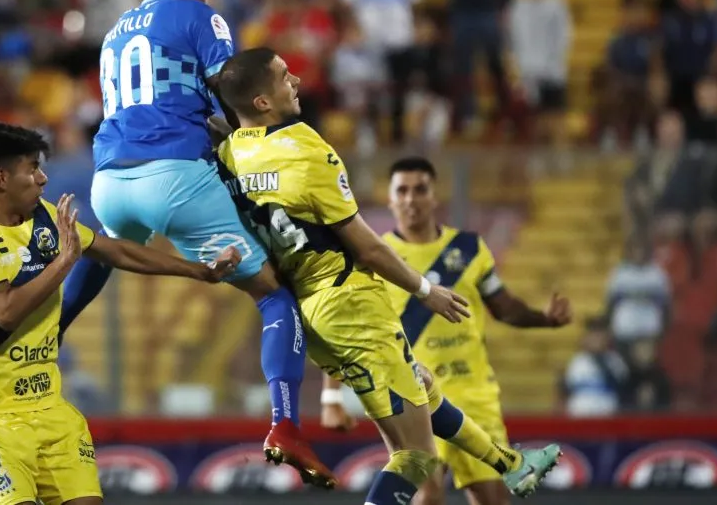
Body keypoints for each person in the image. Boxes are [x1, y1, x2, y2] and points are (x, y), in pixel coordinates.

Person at [215, 48, 561, 505]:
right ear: (262, 101)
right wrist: (426, 289)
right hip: (349, 300)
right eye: (283, 76)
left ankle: (511, 465)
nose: (295, 80)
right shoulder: (304, 146)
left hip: (307, 312)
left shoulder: (227, 154)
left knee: (422, 383)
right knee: (416, 456)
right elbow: (367, 246)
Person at [89, 0, 334, 486]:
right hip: (175, 176)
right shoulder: (202, 16)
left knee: (99, 245)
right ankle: (286, 425)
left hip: (108, 180)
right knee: (274, 295)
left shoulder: (114, 30)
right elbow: (238, 89)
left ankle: (49, 334)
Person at [0, 123, 239, 505]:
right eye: (32, 169)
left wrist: (199, 270)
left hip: (49, 407)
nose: (43, 179)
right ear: (0, 178)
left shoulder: (44, 218)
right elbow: (4, 311)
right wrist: (64, 262)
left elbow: (115, 251)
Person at [320, 156, 573, 505]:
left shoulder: (469, 250)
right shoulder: (374, 256)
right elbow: (347, 329)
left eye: (420, 189)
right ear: (391, 199)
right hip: (415, 395)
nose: (411, 199)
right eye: (402, 191)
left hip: (474, 393)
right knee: (428, 495)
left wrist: (544, 318)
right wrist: (331, 398)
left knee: (494, 499)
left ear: (434, 196)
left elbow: (503, 307)